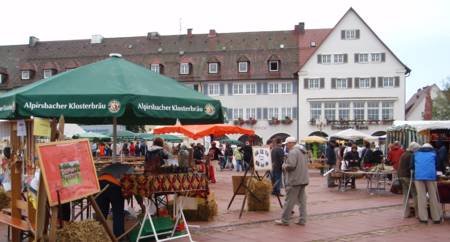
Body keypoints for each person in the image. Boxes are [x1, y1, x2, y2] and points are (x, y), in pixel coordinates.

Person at [275, 137, 309, 226]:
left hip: (295, 180)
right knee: (302, 201)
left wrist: (284, 165)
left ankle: (285, 220)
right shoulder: (303, 151)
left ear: (291, 143)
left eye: (287, 144)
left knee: (289, 201)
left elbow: (291, 165)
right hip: (303, 179)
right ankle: (303, 219)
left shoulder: (293, 152)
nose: (286, 145)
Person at [96, 162, 135, 237]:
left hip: (100, 184)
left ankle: (99, 235)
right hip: (114, 186)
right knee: (118, 212)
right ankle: (119, 236)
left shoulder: (109, 167)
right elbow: (129, 182)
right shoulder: (130, 168)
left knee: (102, 213)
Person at [412, 143, 443, 224]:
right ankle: (436, 217)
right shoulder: (434, 153)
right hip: (431, 176)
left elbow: (412, 166)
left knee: (421, 197)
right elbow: (438, 165)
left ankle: (423, 218)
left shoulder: (415, 153)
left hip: (418, 176)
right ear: (431, 148)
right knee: (433, 196)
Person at [398, 142, 420, 218]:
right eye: (417, 149)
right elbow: (412, 167)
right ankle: (418, 213)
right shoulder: (412, 155)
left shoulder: (404, 154)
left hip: (401, 176)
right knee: (415, 194)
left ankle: (406, 213)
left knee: (405, 195)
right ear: (414, 149)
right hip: (408, 176)